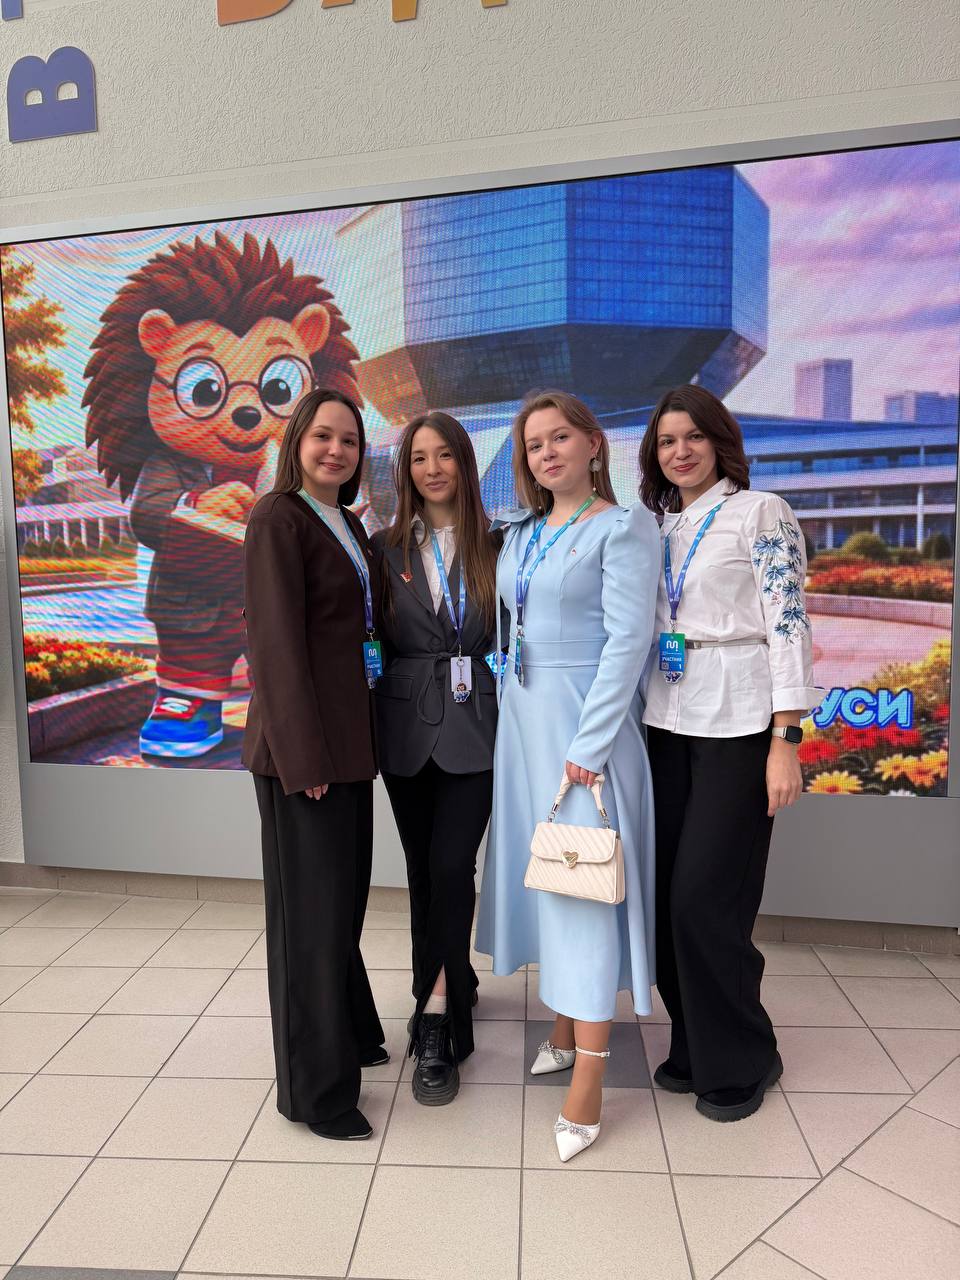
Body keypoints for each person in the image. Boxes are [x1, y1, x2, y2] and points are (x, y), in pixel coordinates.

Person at [476, 390, 660, 1162]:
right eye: (533, 444)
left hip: (586, 729)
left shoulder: (623, 526)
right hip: (524, 726)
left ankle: (589, 1078)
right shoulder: (522, 532)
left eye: (559, 438)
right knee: (548, 878)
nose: (546, 453)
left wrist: (589, 743)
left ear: (593, 444)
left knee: (583, 889)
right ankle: (560, 1024)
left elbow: (629, 640)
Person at [639, 384, 820, 1123]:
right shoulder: (656, 526)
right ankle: (695, 1043)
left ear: (720, 441)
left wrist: (786, 739)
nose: (680, 451)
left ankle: (745, 1056)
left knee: (704, 902)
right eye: (666, 441)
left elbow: (789, 623)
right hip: (664, 721)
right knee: (661, 903)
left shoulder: (760, 512)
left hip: (740, 726)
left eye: (694, 437)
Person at [242, 388, 386, 1142]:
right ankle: (316, 1093)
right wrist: (304, 760)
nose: (336, 450)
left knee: (340, 909)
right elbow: (275, 646)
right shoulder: (278, 517)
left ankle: (351, 1035)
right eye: (323, 436)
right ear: (296, 440)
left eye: (350, 441)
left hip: (350, 747)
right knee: (310, 924)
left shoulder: (349, 523)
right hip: (306, 757)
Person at [373, 412, 501, 1105]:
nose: (432, 469)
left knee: (453, 866)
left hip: (477, 725)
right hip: (404, 728)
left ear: (464, 464)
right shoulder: (383, 547)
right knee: (424, 871)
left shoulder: (499, 544)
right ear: (406, 471)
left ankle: (437, 1022)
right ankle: (448, 980)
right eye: (418, 457)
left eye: (444, 454)